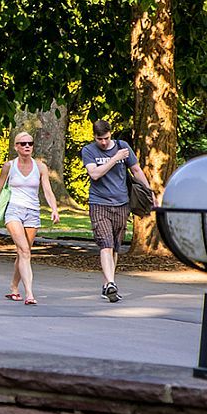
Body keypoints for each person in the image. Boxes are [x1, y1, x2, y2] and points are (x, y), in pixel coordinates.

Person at [82, 120, 154, 302]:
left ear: (111, 134)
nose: (103, 142)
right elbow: (95, 174)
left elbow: (136, 170)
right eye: (99, 139)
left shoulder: (123, 147)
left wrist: (149, 192)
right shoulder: (89, 151)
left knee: (114, 246)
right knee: (105, 244)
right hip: (99, 203)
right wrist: (114, 159)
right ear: (94, 137)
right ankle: (111, 284)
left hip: (122, 203)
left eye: (106, 138)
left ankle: (107, 284)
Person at [0, 132, 60, 304]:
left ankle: (13, 287)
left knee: (23, 253)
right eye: (23, 143)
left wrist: (54, 209)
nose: (27, 146)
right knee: (25, 251)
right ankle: (29, 294)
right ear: (16, 147)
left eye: (30, 143)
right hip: (14, 211)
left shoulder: (40, 167)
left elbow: (47, 190)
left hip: (32, 213)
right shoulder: (9, 166)